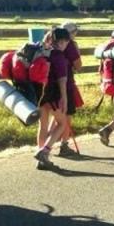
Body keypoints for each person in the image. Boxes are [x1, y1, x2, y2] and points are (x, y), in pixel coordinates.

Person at [34, 28, 72, 169]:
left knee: (43, 126)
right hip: (54, 94)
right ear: (62, 42)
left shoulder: (44, 53)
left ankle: (41, 158)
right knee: (61, 123)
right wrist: (65, 98)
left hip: (40, 93)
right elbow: (62, 80)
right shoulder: (59, 57)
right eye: (66, 42)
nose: (66, 44)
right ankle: (45, 151)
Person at [58, 22, 83, 157]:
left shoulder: (52, 41)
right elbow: (78, 65)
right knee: (67, 115)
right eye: (75, 32)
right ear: (71, 33)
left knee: (55, 116)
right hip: (66, 84)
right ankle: (64, 145)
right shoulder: (70, 45)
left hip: (51, 85)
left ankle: (46, 147)